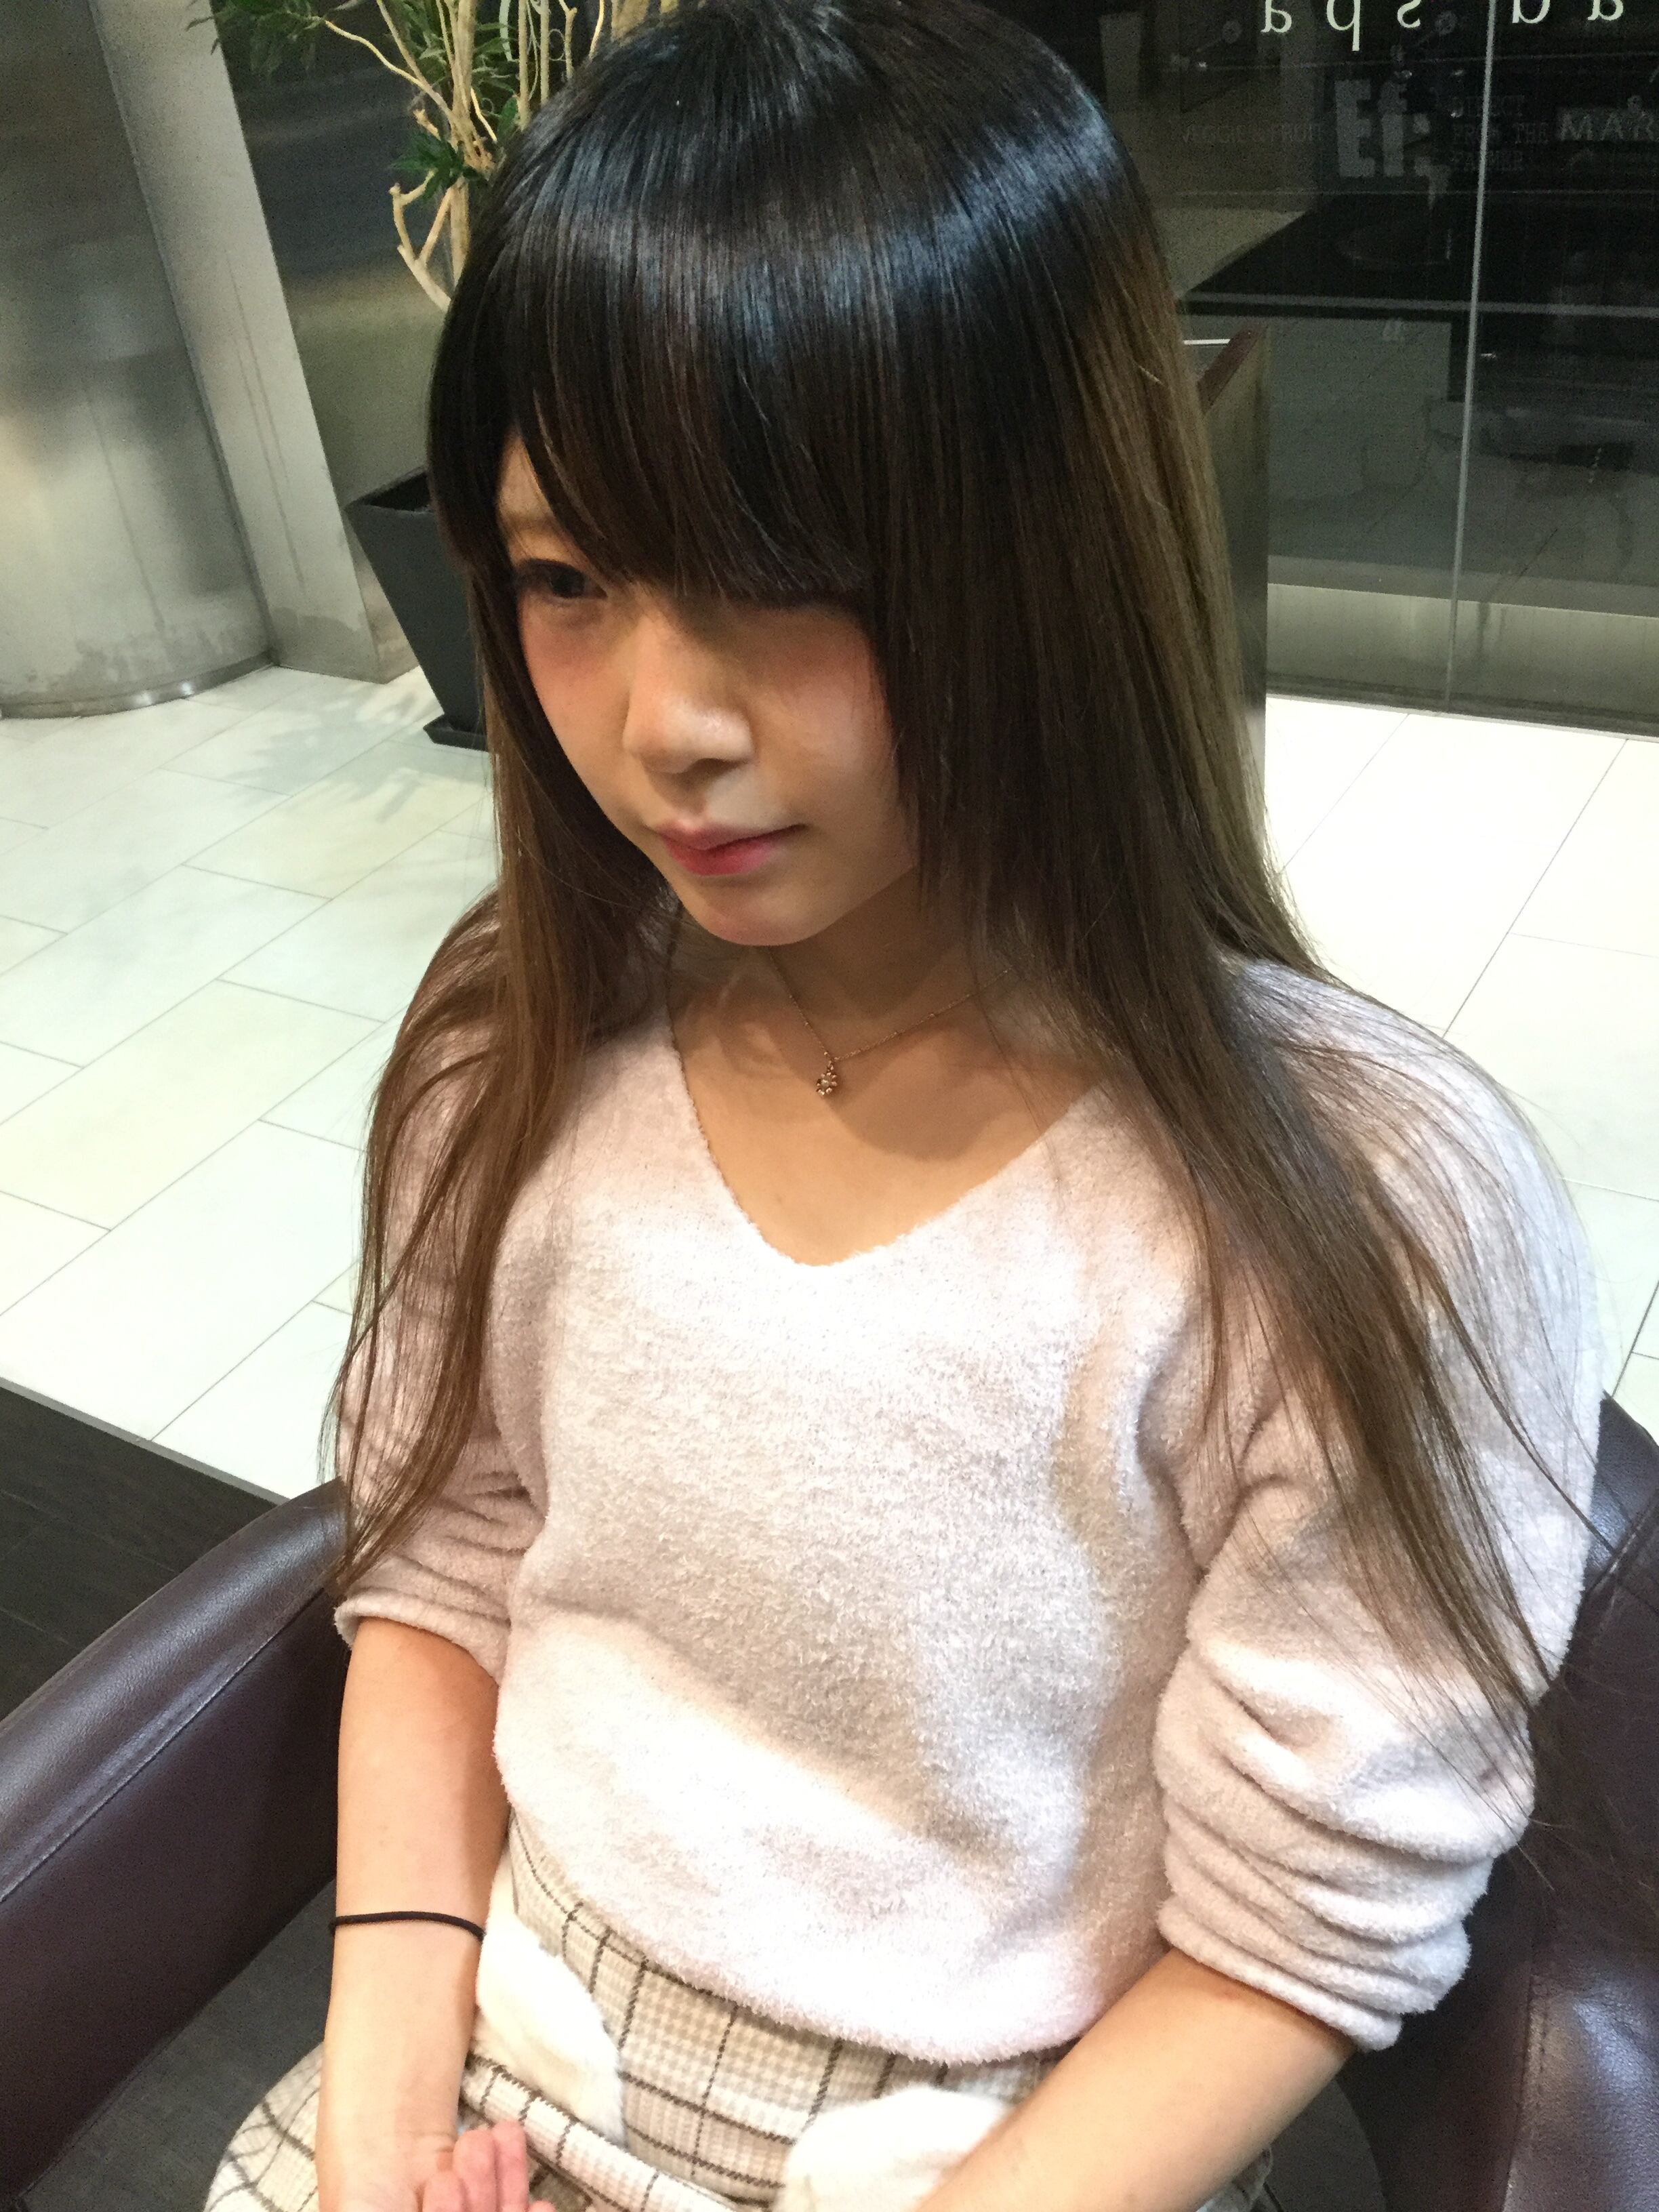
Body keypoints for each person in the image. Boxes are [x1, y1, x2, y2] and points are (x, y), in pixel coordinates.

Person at [207, 1, 1603, 2208]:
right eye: (567, 581)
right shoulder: (519, 1044)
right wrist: (383, 2124)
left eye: (784, 578)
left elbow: (1303, 1921)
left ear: (1049, 554)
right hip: (504, 2052)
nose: (664, 722)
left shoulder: (1365, 1211)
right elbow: (442, 1570)